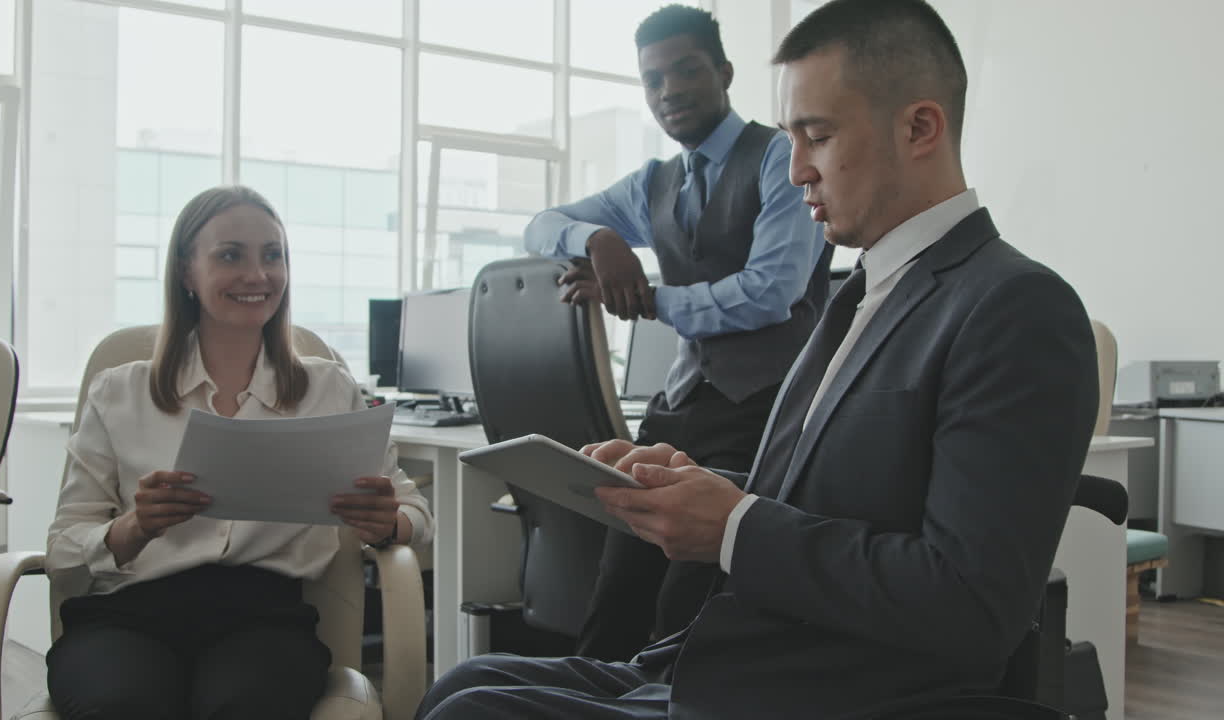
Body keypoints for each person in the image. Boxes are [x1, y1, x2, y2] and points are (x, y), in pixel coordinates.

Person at [415, 0, 1099, 718]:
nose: (798, 168)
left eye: (819, 136)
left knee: (474, 711)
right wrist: (699, 486)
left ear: (920, 127)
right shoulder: (861, 296)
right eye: (790, 137)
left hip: (823, 687)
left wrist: (735, 525)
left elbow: (969, 606)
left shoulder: (1014, 308)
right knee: (465, 681)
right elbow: (828, 499)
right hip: (729, 655)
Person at [45, 186, 434, 720]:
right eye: (231, 255)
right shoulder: (120, 392)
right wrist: (136, 526)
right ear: (186, 272)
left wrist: (387, 524)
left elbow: (415, 512)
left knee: (245, 706)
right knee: (121, 705)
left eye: (273, 256)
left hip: (263, 619)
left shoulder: (328, 389)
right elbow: (65, 545)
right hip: (129, 614)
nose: (259, 275)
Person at [524, 4, 830, 661]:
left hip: (767, 409)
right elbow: (542, 225)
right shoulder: (655, 184)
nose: (669, 91)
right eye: (653, 79)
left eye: (686, 70)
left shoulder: (781, 159)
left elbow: (770, 293)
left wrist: (650, 299)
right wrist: (599, 238)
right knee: (616, 597)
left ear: (723, 71)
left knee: (681, 611)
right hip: (680, 407)